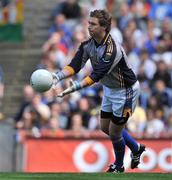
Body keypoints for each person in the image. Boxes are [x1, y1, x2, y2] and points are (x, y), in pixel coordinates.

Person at [53, 9, 145, 173]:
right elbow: (75, 66)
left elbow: (96, 75)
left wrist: (74, 88)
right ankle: (136, 148)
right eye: (89, 23)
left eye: (93, 24)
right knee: (105, 128)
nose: (89, 27)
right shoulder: (88, 45)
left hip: (126, 92)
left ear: (104, 27)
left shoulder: (112, 49)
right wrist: (57, 76)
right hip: (110, 88)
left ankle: (119, 166)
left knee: (115, 133)